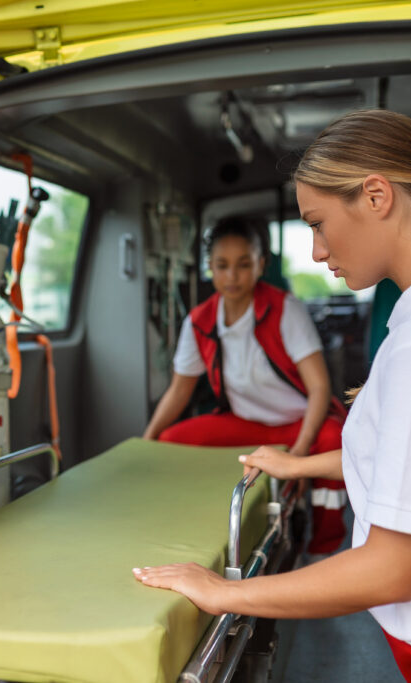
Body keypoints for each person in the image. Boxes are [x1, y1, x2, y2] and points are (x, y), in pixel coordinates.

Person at [133, 109, 411, 681]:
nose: (317, 251)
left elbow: (391, 571)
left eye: (318, 224)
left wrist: (226, 593)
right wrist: (301, 464)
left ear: (376, 196)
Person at [142, 215, 348, 554]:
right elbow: (179, 391)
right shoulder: (199, 321)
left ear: (261, 265)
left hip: (298, 425)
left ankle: (323, 547)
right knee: (170, 441)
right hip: (245, 425)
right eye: (222, 266)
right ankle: (189, 520)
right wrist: (147, 441)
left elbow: (319, 388)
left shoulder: (285, 309)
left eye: (243, 264)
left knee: (333, 438)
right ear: (210, 267)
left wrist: (298, 456)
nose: (232, 276)